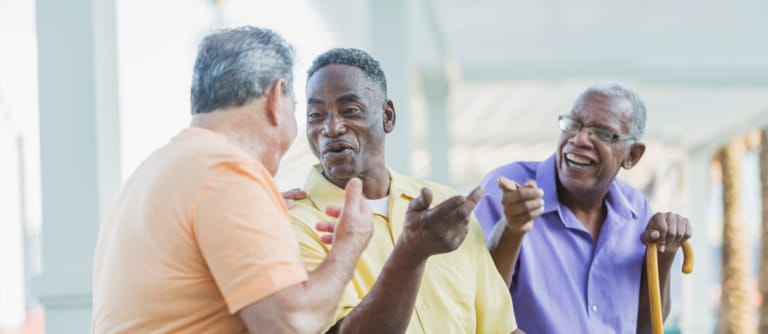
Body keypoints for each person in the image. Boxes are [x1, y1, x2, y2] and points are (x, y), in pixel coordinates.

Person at [92, 27, 373, 333]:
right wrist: (348, 245)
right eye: (295, 111)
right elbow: (291, 324)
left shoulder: (154, 172)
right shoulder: (226, 172)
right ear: (275, 97)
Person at [289, 48, 520, 334]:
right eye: (316, 115)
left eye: (350, 111)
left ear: (387, 116)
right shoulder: (292, 225)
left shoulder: (444, 205)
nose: (332, 127)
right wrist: (412, 253)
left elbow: (502, 327)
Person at [473, 82, 693, 334]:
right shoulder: (505, 191)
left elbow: (645, 327)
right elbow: (473, 303)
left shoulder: (636, 209)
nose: (578, 140)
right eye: (573, 124)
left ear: (631, 155)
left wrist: (665, 255)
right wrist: (511, 228)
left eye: (603, 133)